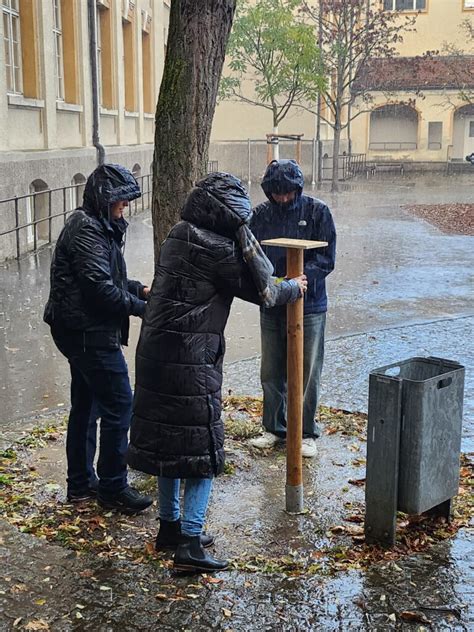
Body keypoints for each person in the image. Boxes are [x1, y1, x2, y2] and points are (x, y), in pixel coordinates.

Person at [127, 172, 307, 573]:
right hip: (190, 360)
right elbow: (267, 291)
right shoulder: (219, 249)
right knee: (200, 450)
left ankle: (169, 528)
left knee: (171, 445)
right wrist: (295, 284)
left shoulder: (179, 233)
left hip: (156, 354)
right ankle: (189, 544)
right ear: (231, 215)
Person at [43, 163, 153, 514]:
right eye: (120, 201)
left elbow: (107, 279)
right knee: (120, 406)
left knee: (87, 406)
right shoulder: (87, 230)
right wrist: (141, 307)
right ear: (105, 199)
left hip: (79, 329)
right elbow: (100, 290)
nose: (125, 207)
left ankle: (80, 484)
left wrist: (139, 289)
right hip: (88, 332)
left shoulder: (95, 226)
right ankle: (112, 487)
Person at [249, 160, 336, 458]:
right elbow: (253, 257)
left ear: (297, 189)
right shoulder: (259, 216)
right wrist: (272, 284)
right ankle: (274, 427)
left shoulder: (317, 212)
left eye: (287, 192)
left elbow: (326, 259)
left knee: (306, 371)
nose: (282, 198)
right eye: (276, 193)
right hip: (272, 304)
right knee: (272, 369)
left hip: (309, 306)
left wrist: (301, 280)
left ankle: (306, 431)